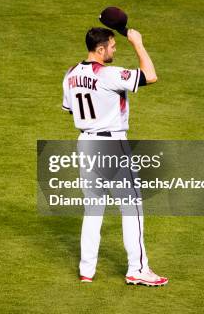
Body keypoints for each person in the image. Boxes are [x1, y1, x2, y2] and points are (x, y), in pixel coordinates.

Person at [61, 27, 168, 286]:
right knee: (132, 207)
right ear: (100, 49)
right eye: (111, 46)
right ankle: (138, 269)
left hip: (85, 143)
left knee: (93, 208)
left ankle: (87, 271)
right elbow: (150, 76)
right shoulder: (108, 74)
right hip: (111, 145)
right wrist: (138, 44)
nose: (114, 49)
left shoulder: (71, 74)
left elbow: (69, 109)